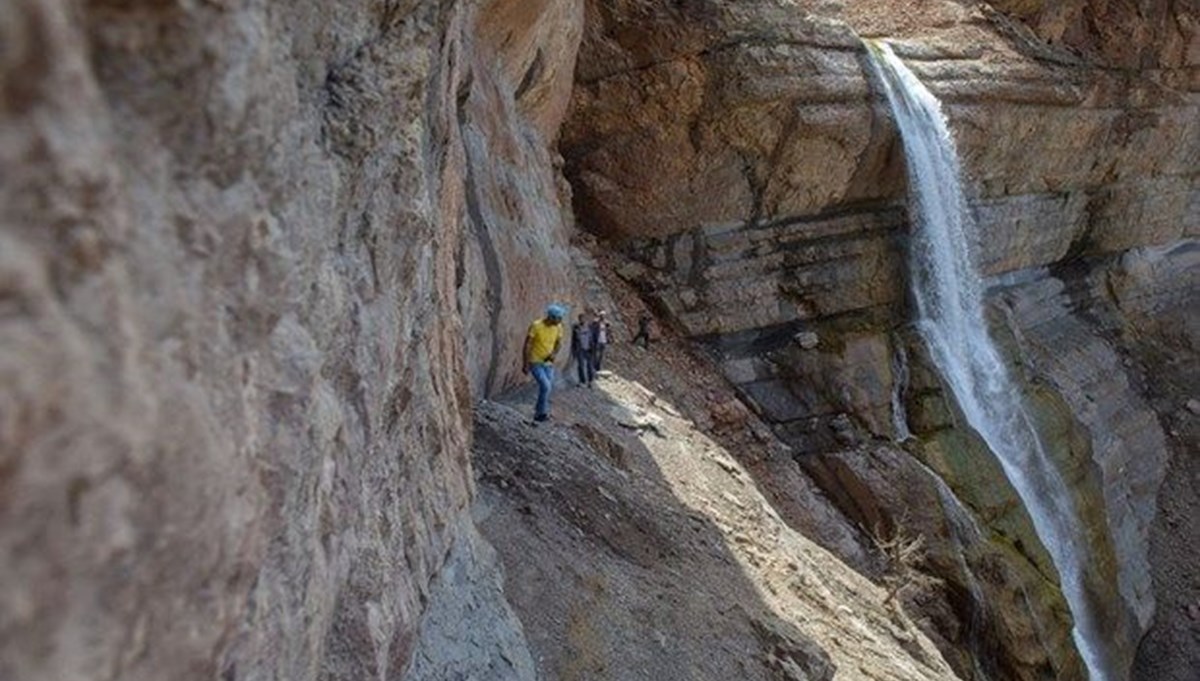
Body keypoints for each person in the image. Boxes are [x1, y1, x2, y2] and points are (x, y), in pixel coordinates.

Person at [524, 303, 565, 422]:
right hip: (535, 361)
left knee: (547, 387)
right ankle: (541, 414)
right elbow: (527, 344)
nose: (560, 320)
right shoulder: (536, 326)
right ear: (551, 317)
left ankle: (539, 410)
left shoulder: (558, 327)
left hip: (548, 363)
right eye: (559, 318)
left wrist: (554, 354)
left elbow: (559, 343)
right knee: (546, 386)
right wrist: (525, 363)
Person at [570, 312, 596, 387]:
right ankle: (582, 381)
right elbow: (574, 339)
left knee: (589, 366)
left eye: (583, 318)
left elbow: (593, 338)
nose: (582, 320)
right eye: (580, 319)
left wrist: (593, 347)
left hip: (589, 348)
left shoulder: (590, 327)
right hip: (580, 348)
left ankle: (590, 381)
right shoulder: (576, 327)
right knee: (581, 365)